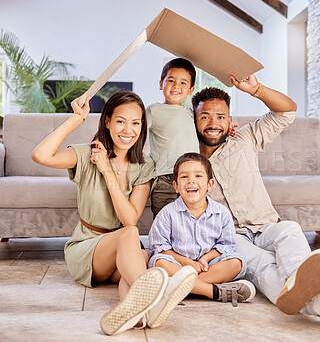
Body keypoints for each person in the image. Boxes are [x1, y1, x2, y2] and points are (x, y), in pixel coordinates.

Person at [191, 75, 320, 330]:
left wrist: (256, 89)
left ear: (230, 121)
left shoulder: (244, 139)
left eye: (221, 117)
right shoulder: (186, 160)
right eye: (205, 117)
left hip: (265, 224)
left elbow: (286, 111)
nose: (213, 123)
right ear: (193, 120)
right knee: (260, 264)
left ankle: (302, 283)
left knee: (290, 229)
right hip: (228, 238)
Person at [31, 91, 197, 335]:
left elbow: (129, 218)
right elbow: (40, 155)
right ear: (107, 121)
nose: (128, 130)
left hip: (122, 249)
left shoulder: (144, 166)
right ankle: (158, 298)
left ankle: (134, 315)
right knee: (131, 235)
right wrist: (76, 119)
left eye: (136, 123)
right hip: (87, 248)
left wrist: (108, 173)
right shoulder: (88, 155)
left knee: (138, 256)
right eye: (121, 121)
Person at [148, 152, 256, 306]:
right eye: (184, 177)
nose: (191, 180)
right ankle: (209, 290)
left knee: (236, 262)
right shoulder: (167, 213)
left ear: (209, 185)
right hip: (178, 265)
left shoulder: (221, 213)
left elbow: (226, 245)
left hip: (208, 266)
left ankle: (178, 288)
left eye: (198, 176)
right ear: (176, 186)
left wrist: (205, 259)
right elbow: (159, 247)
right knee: (159, 263)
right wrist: (187, 262)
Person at [146, 58, 199, 217]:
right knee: (165, 222)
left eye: (183, 83)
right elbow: (135, 132)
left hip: (192, 178)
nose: (176, 86)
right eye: (171, 80)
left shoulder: (193, 113)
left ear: (191, 89)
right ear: (161, 84)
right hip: (165, 179)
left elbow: (208, 132)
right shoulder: (154, 110)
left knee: (191, 222)